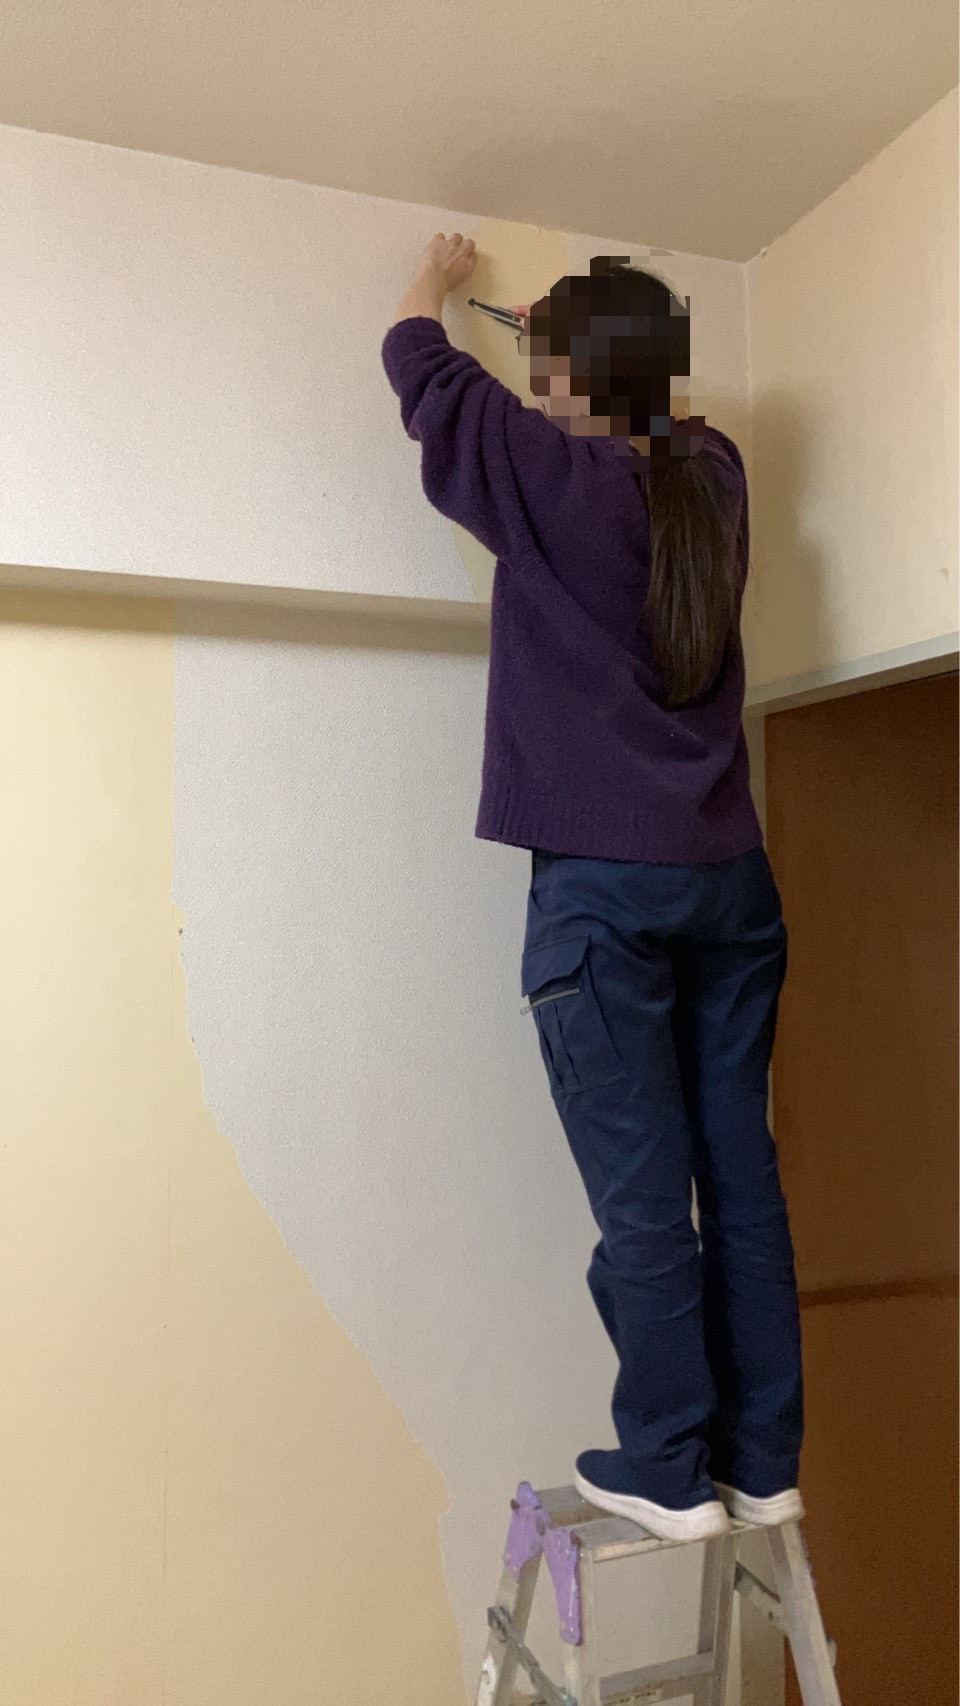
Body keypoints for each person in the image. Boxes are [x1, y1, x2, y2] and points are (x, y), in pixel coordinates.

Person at [381, 233, 804, 1543]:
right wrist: (595, 341)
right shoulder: (712, 478)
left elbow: (424, 371)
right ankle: (762, 1458)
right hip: (730, 884)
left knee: (644, 1195)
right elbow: (643, 416)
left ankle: (668, 1466)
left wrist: (433, 281)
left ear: (571, 375)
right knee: (740, 1179)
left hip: (608, 896)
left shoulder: (553, 482)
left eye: (546, 364)